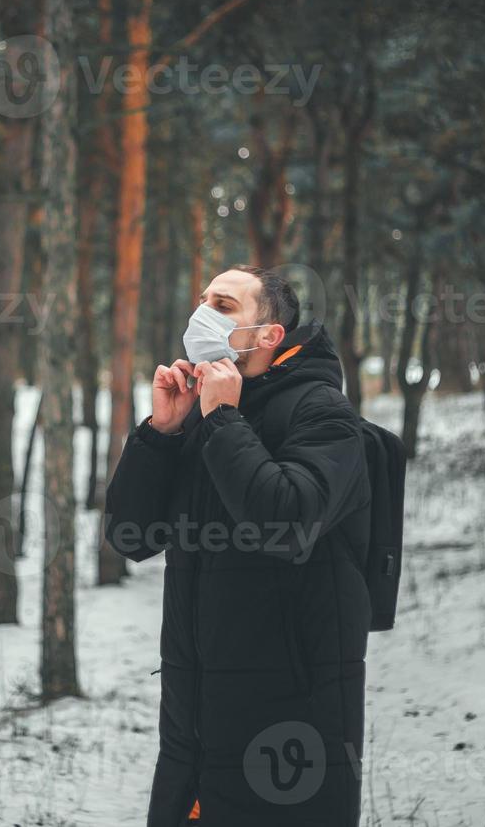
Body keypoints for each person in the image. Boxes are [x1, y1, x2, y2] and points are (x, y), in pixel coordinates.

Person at [105, 265, 371, 826]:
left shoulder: (321, 412)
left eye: (223, 305)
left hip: (286, 729)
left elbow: (285, 523)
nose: (201, 314)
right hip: (194, 726)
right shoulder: (204, 417)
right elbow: (130, 536)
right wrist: (161, 432)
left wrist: (223, 416)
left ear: (269, 335)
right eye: (202, 300)